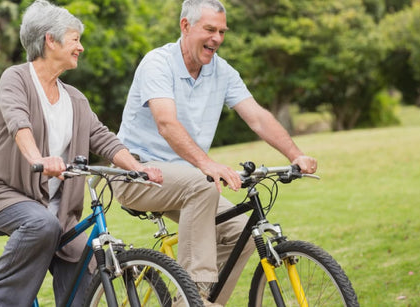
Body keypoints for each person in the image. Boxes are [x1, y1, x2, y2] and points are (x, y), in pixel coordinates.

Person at [114, 0, 318, 305]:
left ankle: (204, 301)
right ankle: (191, 297)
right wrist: (207, 164)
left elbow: (257, 117)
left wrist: (295, 154)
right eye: (210, 29)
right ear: (185, 26)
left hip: (185, 180)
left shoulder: (221, 71)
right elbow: (166, 123)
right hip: (135, 173)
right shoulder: (157, 63)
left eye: (222, 31)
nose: (218, 38)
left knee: (241, 232)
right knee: (202, 183)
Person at [0, 1, 162, 306]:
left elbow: (103, 139)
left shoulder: (75, 99)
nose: (81, 48)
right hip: (3, 192)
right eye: (75, 39)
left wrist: (137, 167)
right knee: (42, 225)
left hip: (60, 210)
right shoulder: (15, 79)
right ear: (50, 40)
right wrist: (38, 159)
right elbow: (19, 123)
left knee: (84, 265)